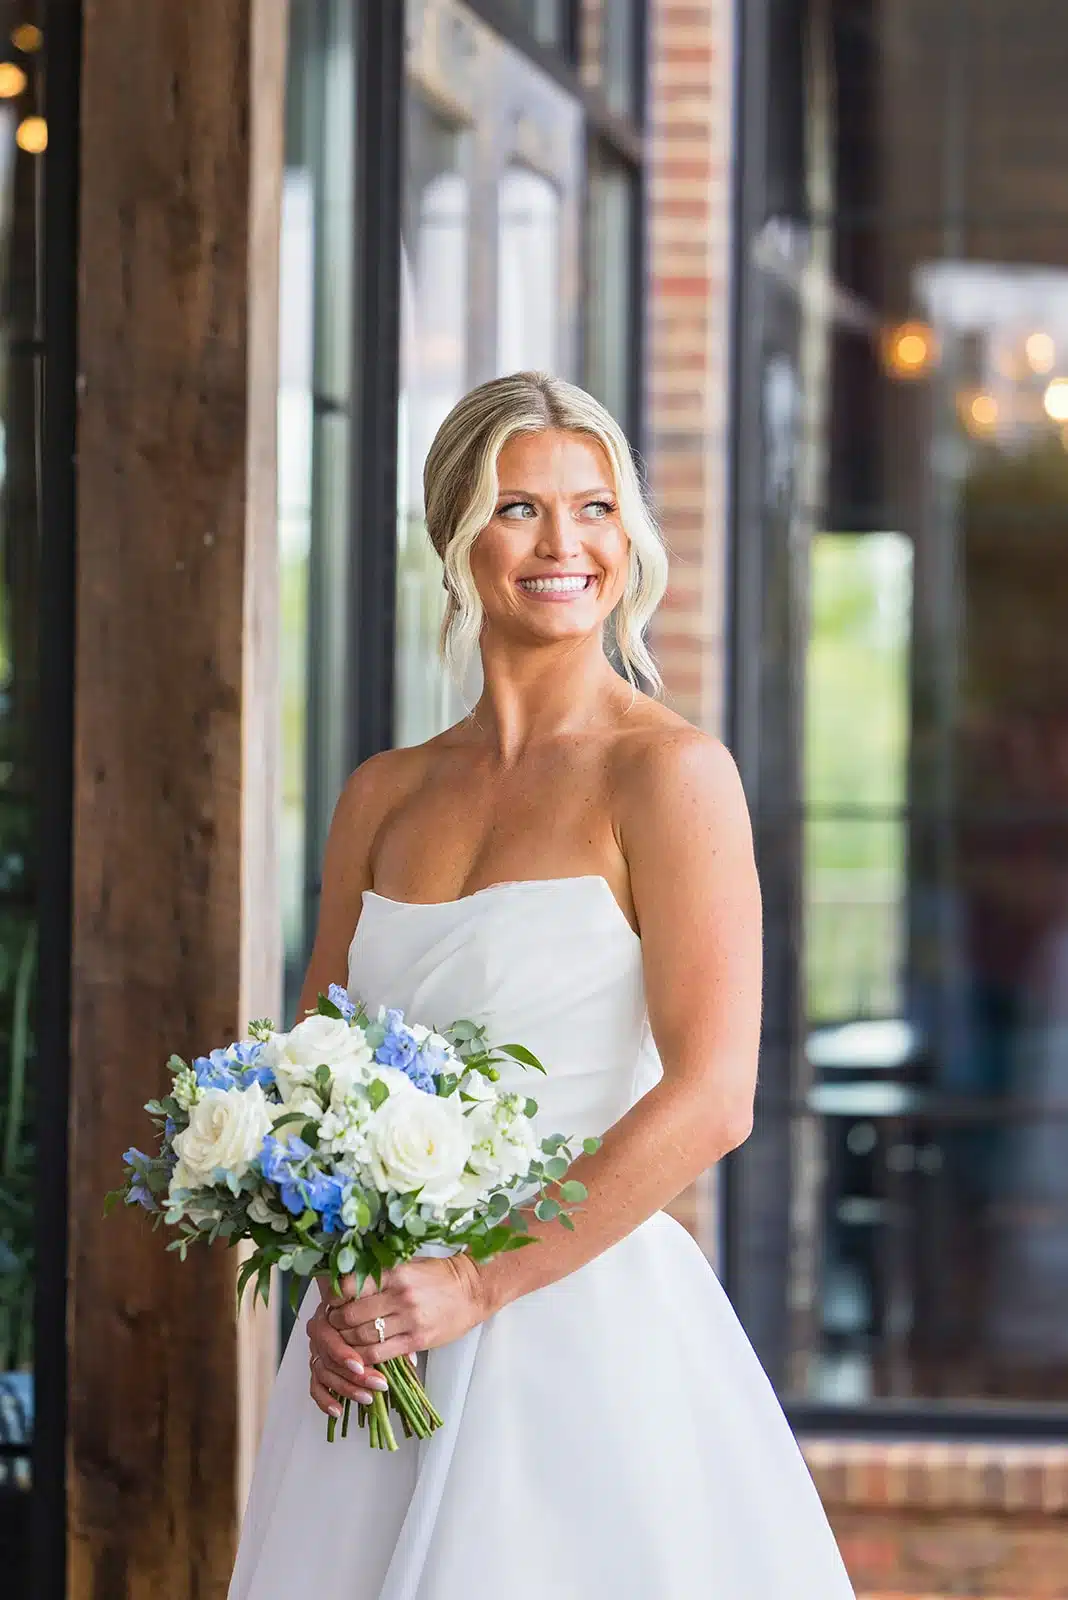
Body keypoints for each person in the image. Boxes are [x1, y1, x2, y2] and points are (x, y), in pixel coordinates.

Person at [229, 372, 855, 1599]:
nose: (566, 544)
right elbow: (311, 1072)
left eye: (596, 508)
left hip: (579, 1333)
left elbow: (714, 1095)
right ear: (455, 537)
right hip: (380, 1341)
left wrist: (479, 1281)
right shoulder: (382, 794)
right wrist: (341, 1282)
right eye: (520, 508)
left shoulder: (670, 775)